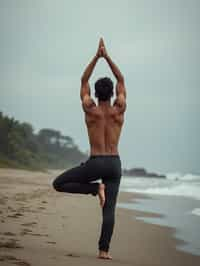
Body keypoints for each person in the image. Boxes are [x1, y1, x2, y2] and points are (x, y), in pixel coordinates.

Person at [52, 38, 127, 260]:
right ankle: (104, 251)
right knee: (109, 210)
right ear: (113, 93)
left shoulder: (89, 109)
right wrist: (108, 56)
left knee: (59, 183)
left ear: (95, 93)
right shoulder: (119, 109)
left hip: (95, 163)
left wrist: (97, 56)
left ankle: (95, 189)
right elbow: (121, 78)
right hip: (114, 163)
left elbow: (83, 78)